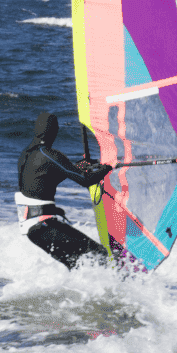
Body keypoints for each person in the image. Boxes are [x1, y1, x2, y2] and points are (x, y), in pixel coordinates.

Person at [16, 112, 113, 268]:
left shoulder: (26, 155)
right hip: (45, 226)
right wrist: (108, 167)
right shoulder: (48, 154)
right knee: (99, 254)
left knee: (77, 265)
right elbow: (86, 180)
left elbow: (44, 182)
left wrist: (77, 167)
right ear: (53, 131)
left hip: (32, 231)